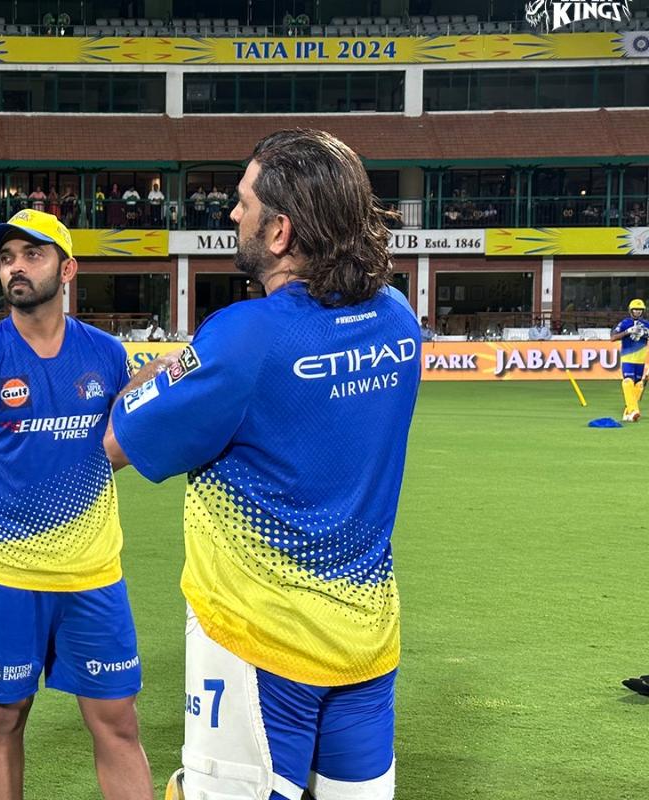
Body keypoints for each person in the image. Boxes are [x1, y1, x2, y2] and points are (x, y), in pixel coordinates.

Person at [104, 129, 419, 800]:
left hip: (256, 640)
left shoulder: (247, 335)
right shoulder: (397, 319)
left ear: (279, 231)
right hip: (367, 641)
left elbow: (118, 441)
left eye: (243, 203)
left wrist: (154, 374)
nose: (231, 215)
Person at [0, 209, 154, 800]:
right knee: (4, 718)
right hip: (6, 576)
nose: (16, 268)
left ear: (68, 268)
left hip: (94, 575)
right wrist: (7, 499)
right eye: (7, 258)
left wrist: (86, 469)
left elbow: (123, 438)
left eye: (33, 255)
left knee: (118, 723)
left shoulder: (106, 355)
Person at [612, 298, 648, 422]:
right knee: (627, 382)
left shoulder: (646, 324)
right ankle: (634, 410)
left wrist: (645, 333)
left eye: (639, 310)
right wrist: (627, 332)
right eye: (635, 310)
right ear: (630, 310)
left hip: (640, 359)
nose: (637, 312)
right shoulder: (625, 323)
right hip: (628, 358)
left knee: (638, 385)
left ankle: (628, 414)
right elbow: (613, 338)